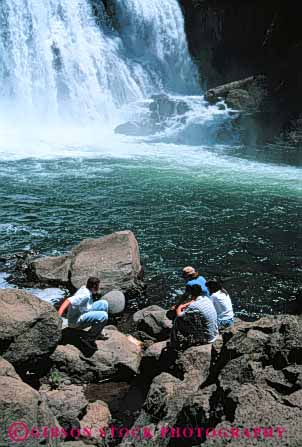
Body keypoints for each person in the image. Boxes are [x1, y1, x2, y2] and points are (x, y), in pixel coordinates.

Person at [58, 277, 108, 350]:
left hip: (83, 312)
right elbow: (68, 301)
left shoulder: (84, 288)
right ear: (94, 286)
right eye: (98, 286)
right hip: (75, 322)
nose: (99, 287)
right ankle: (89, 339)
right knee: (103, 316)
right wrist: (58, 316)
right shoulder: (85, 296)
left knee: (104, 303)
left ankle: (98, 332)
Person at [170, 284, 218, 351]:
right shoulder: (206, 299)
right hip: (214, 333)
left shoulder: (194, 306)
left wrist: (179, 306)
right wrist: (185, 305)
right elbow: (193, 302)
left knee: (177, 320)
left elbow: (179, 315)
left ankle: (174, 345)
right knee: (192, 316)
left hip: (207, 338)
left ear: (190, 294)